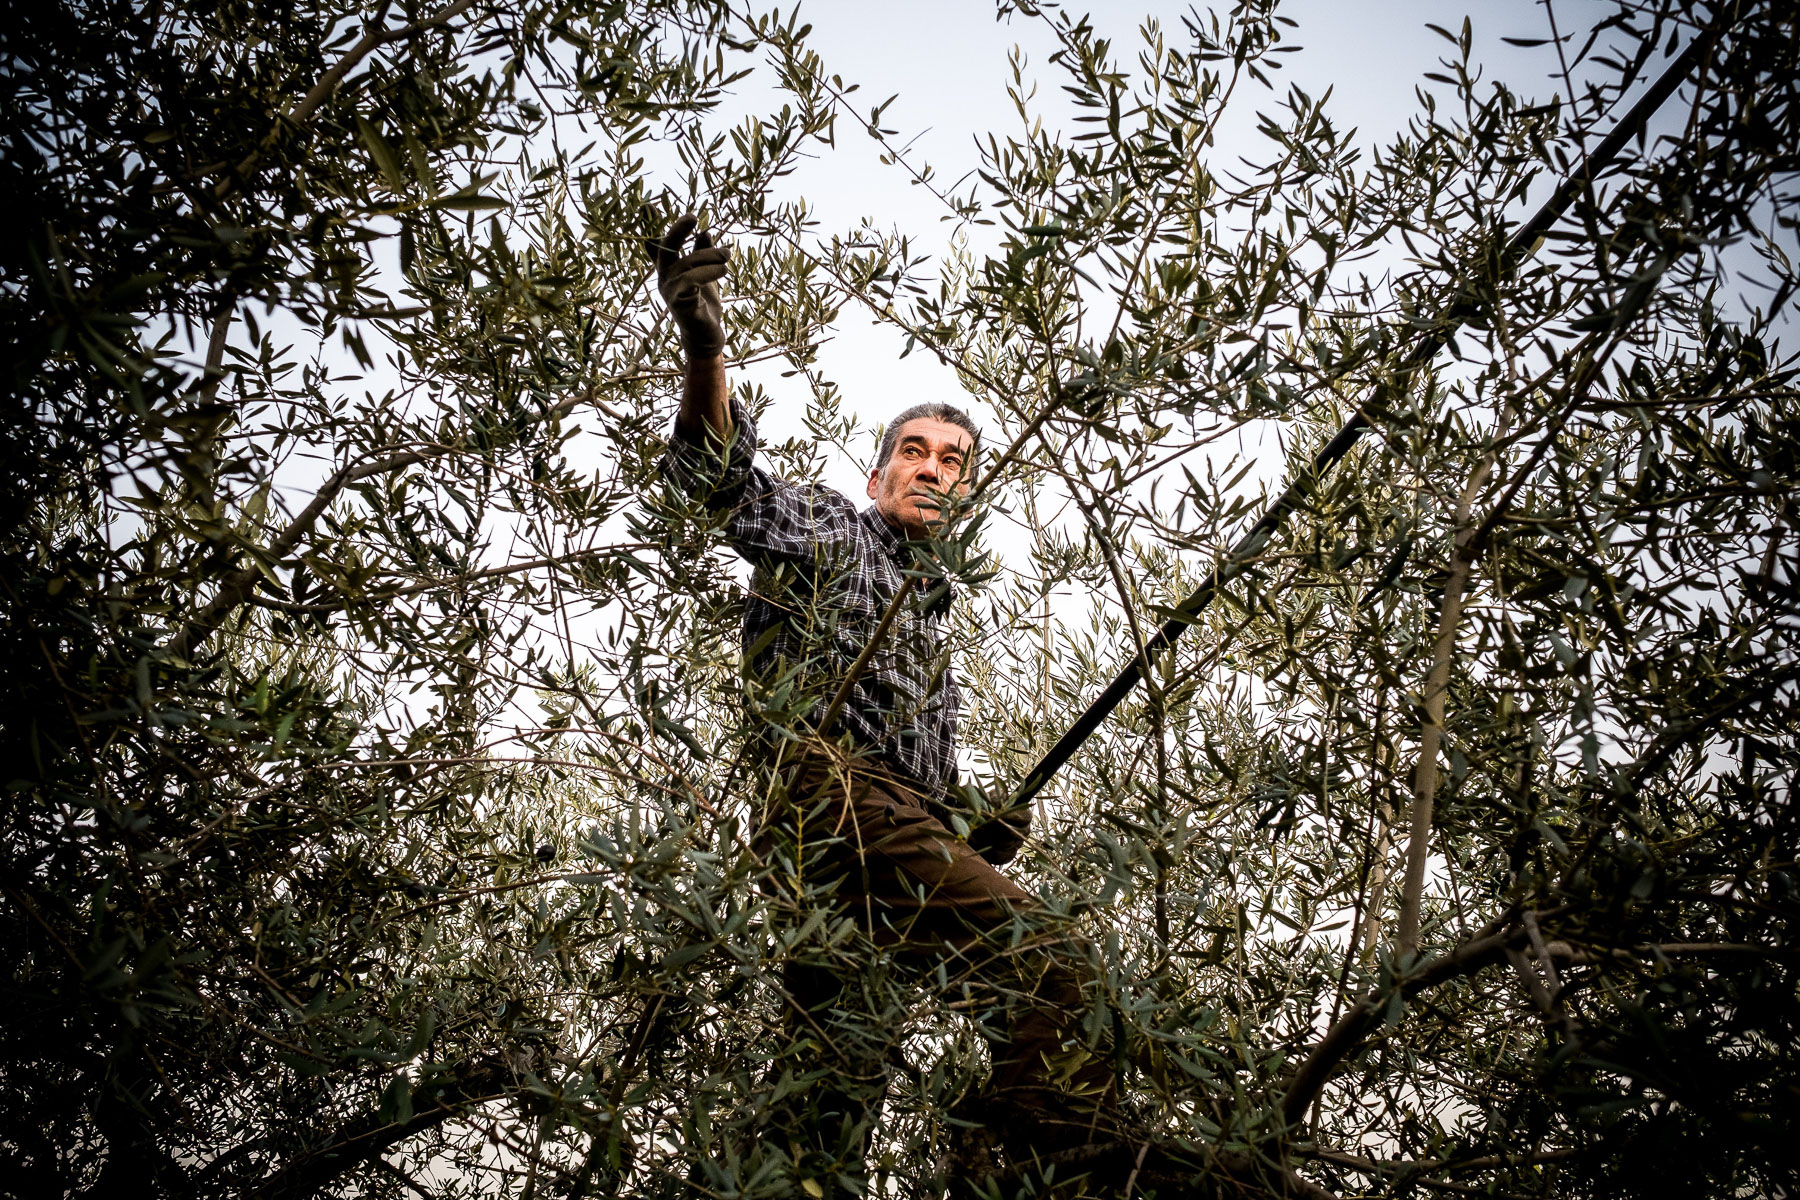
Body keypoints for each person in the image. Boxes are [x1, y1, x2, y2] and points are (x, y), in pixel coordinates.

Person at [653, 216, 1117, 1187]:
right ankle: (1014, 1171)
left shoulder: (933, 642)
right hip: (832, 808)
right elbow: (720, 483)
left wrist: (976, 823)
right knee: (1054, 964)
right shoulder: (832, 529)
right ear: (879, 474)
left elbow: (932, 795)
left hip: (865, 869)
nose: (932, 468)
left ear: (966, 498)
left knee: (828, 1097)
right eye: (915, 451)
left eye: (952, 461)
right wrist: (705, 347)